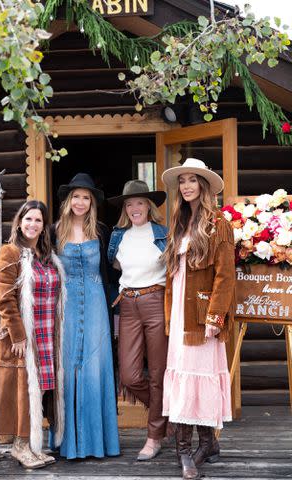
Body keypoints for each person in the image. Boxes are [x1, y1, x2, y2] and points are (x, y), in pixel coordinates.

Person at [161, 158, 236, 480]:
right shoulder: (180, 221)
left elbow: (225, 276)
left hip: (201, 314)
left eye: (192, 180)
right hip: (179, 311)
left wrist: (215, 317)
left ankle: (197, 448)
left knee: (199, 376)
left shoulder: (218, 224)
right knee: (183, 377)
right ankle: (200, 446)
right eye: (183, 181)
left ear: (203, 186)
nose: (187, 186)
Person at [0, 200, 66, 469]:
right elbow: (5, 298)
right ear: (19, 222)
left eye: (38, 220)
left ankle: (34, 445)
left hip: (46, 334)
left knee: (40, 389)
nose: (32, 224)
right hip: (22, 337)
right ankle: (20, 446)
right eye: (28, 219)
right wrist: (18, 335)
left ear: (44, 225)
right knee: (23, 390)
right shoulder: (10, 253)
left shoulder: (47, 256)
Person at [53, 173, 120, 459]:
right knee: (67, 369)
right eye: (76, 197)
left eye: (86, 198)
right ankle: (66, 441)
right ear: (68, 201)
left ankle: (99, 442)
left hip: (95, 307)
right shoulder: (54, 231)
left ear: (92, 203)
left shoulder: (102, 231)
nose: (80, 202)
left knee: (95, 368)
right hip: (65, 306)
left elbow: (118, 266)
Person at [108, 180, 168, 461]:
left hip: (157, 301)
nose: (135, 208)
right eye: (129, 203)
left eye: (140, 202)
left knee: (157, 374)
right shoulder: (117, 237)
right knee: (130, 376)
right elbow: (115, 268)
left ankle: (155, 435)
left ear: (149, 206)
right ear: (125, 208)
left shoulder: (164, 234)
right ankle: (168, 413)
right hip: (128, 304)